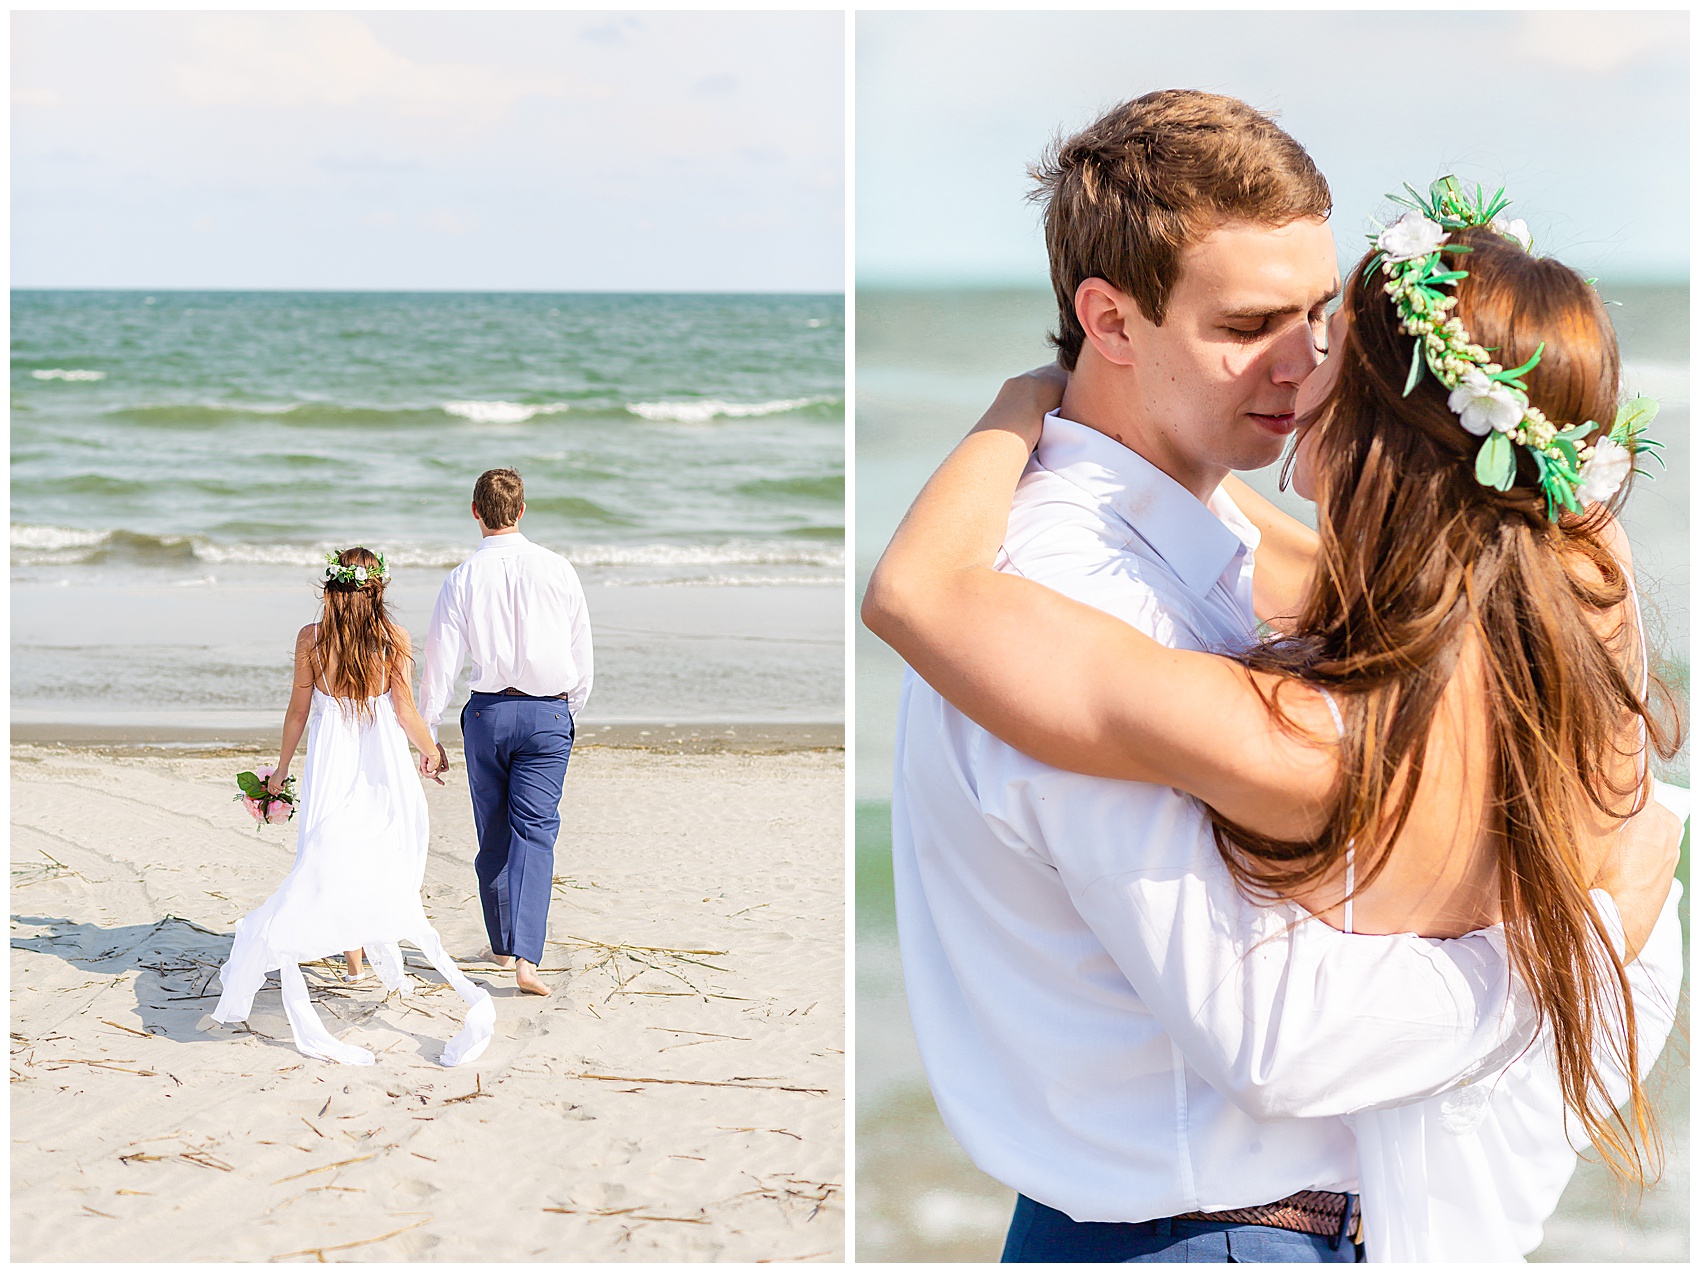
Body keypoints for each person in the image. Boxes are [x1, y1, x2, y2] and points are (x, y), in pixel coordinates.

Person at [860, 91, 1684, 1263]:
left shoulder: (1233, 545)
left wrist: (1020, 403)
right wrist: (1586, 936)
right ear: (1108, 318)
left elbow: (1467, 547)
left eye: (1313, 315)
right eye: (1246, 323)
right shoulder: (1065, 588)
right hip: (1199, 1237)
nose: (1300, 366)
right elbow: (1272, 1038)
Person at [210, 547, 497, 1067]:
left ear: (332, 588)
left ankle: (354, 958)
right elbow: (405, 710)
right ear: (378, 588)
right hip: (380, 758)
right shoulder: (392, 639)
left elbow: (298, 711)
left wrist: (280, 769)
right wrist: (432, 753)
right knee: (374, 846)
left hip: (331, 756)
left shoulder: (311, 639)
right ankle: (358, 953)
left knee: (328, 846)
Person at [419, 468, 594, 998]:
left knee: (492, 830)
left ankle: (504, 943)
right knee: (535, 832)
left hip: (487, 714)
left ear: (475, 511)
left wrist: (428, 732)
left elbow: (441, 662)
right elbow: (580, 650)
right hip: (547, 713)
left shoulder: (462, 577)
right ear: (521, 510)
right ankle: (523, 959)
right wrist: (569, 710)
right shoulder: (559, 569)